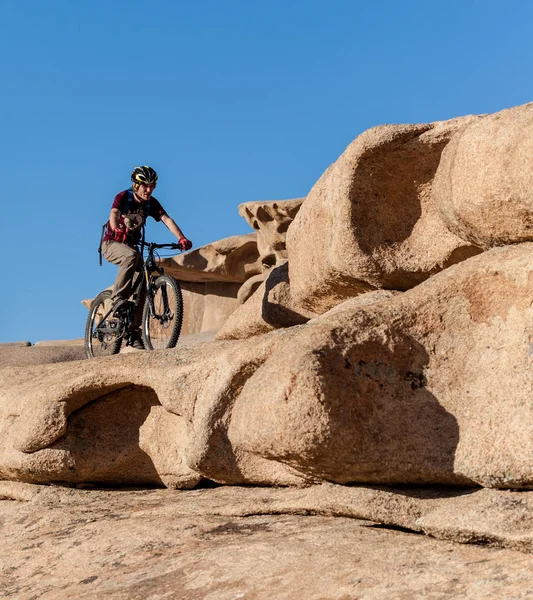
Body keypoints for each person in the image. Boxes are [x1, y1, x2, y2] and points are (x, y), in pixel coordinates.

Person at [101, 165, 192, 349]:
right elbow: (114, 213)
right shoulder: (124, 197)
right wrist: (116, 228)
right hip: (112, 244)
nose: (149, 190)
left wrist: (181, 237)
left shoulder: (151, 203)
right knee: (131, 256)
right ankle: (118, 298)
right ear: (136, 185)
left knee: (144, 282)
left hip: (132, 247)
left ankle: (133, 332)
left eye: (152, 186)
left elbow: (166, 219)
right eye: (145, 186)